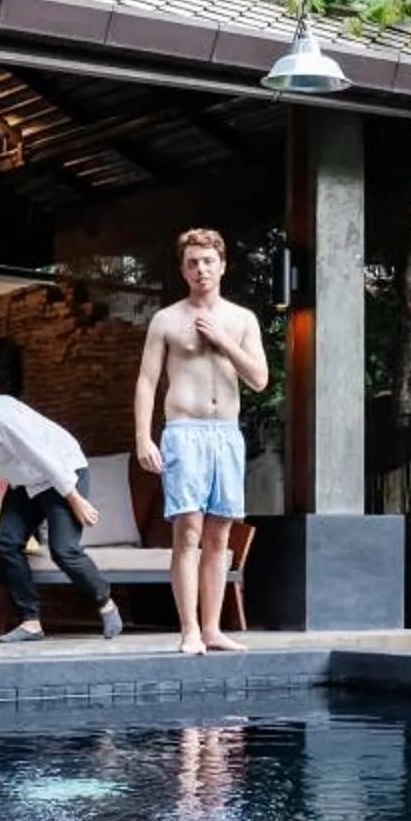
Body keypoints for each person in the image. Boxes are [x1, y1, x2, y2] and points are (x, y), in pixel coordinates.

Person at [133, 226, 268, 656]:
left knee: (220, 533)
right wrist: (142, 437)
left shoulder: (242, 320)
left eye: (208, 261)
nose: (200, 269)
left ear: (223, 265)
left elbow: (260, 380)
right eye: (192, 262)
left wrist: (222, 340)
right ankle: (189, 629)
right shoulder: (167, 319)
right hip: (184, 432)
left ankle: (212, 628)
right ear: (182, 269)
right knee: (187, 530)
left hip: (226, 434)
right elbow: (147, 381)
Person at [0, 383, 123, 644]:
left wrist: (74, 498)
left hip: (62, 471)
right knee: (6, 540)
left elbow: (40, 454)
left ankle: (106, 602)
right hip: (25, 483)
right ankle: (30, 622)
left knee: (63, 549)